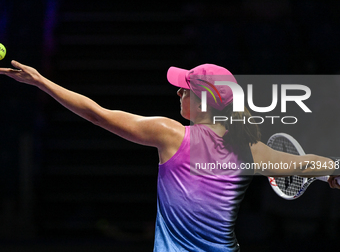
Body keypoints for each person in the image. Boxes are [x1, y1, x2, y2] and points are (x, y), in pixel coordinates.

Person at [1, 61, 339, 251]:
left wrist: (41, 81)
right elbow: (307, 162)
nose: (178, 91)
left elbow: (96, 114)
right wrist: (334, 171)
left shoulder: (171, 133)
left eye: (185, 88)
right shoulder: (251, 150)